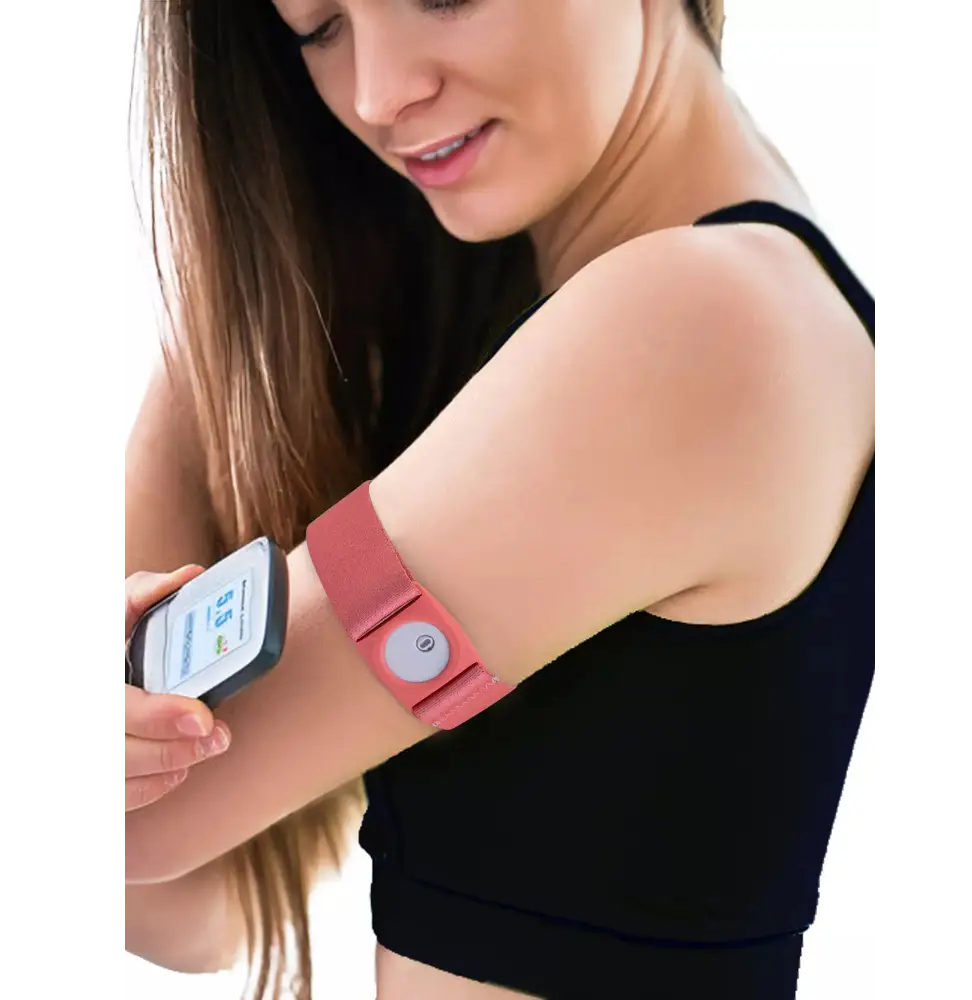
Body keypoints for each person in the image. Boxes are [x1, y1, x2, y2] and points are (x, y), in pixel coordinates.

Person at [121, 0, 878, 997]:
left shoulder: (692, 328)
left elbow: (138, 824)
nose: (377, 93)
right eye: (317, 28)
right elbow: (192, 907)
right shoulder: (557, 311)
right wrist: (245, 298)